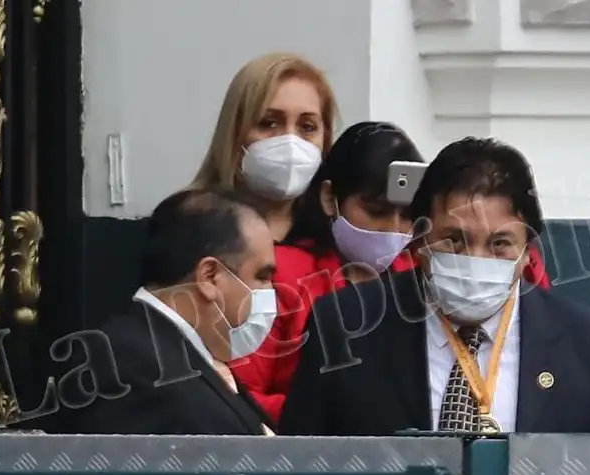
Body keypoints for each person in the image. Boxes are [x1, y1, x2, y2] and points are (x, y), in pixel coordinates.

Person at [278, 137, 590, 435]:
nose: (476, 259)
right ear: (419, 241)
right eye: (454, 240)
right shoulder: (345, 324)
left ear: (527, 253)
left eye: (499, 243)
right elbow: (304, 465)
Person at [230, 122, 553, 422]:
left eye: (405, 218)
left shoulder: (414, 264)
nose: (393, 230)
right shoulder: (288, 277)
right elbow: (249, 394)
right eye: (377, 211)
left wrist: (516, 253)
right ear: (331, 199)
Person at [70, 187, 278, 435]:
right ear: (210, 276)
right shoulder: (129, 363)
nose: (271, 290)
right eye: (262, 277)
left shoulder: (183, 356)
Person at [191, 53, 338, 242]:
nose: (290, 141)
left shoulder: (337, 241)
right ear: (234, 132)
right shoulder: (184, 231)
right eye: (268, 123)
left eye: (307, 126)